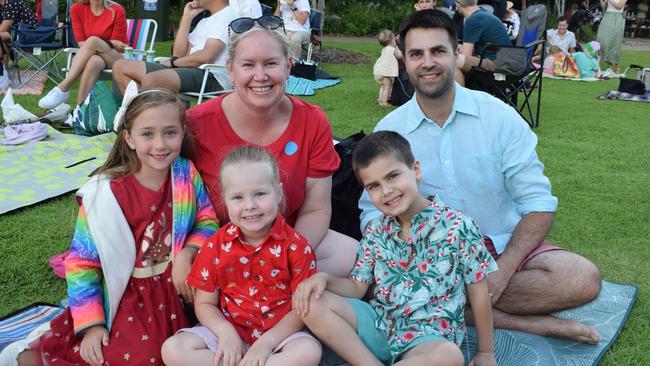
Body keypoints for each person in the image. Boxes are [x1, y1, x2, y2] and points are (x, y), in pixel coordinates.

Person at [360, 8, 602, 344]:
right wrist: (411, 259)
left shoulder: (499, 117)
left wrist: (502, 272)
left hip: (501, 246)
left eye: (438, 51)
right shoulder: (390, 130)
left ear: (458, 54)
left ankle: (453, 308)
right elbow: (372, 212)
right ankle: (521, 321)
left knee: (581, 278)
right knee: (374, 280)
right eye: (416, 54)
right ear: (405, 59)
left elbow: (538, 203)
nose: (427, 62)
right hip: (429, 260)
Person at [10, 87, 219, 366]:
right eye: (147, 134)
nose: (160, 144)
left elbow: (207, 219)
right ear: (129, 139)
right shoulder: (105, 193)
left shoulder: (185, 173)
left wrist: (188, 253)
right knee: (136, 357)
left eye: (170, 132)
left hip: (174, 291)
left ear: (182, 132)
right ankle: (30, 356)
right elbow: (81, 263)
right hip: (125, 295)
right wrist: (92, 325)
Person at [295, 131, 498, 366]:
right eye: (374, 186)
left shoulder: (457, 225)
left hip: (428, 338)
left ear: (416, 170)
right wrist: (324, 279)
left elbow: (479, 292)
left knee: (449, 356)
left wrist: (486, 353)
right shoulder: (376, 231)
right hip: (381, 325)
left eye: (393, 176)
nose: (387, 191)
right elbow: (357, 287)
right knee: (309, 301)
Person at [185, 20, 358, 277]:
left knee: (354, 257)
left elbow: (316, 208)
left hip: (287, 240)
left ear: (288, 67)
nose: (261, 76)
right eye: (248, 65)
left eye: (270, 63)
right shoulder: (196, 123)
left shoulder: (311, 120)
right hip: (217, 248)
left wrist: (285, 259)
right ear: (230, 69)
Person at [162, 146, 322, 366]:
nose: (250, 206)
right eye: (237, 197)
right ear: (225, 201)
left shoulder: (296, 246)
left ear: (278, 192)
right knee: (173, 349)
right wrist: (226, 334)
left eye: (260, 194)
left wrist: (266, 344)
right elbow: (205, 304)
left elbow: (301, 308)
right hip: (228, 334)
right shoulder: (215, 246)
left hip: (279, 338)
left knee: (308, 351)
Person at [112, 0, 236, 95]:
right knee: (120, 67)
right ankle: (138, 112)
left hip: (212, 76)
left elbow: (206, 56)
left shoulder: (227, 15)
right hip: (190, 70)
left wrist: (173, 63)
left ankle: (139, 115)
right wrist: (187, 17)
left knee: (153, 80)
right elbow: (178, 53)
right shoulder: (205, 21)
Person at [38, 0, 128, 109]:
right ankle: (79, 111)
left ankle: (64, 87)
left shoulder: (117, 9)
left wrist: (98, 43)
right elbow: (81, 42)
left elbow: (117, 43)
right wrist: (100, 44)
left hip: (118, 59)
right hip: (94, 56)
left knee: (93, 41)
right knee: (94, 62)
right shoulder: (76, 9)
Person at [455, 0, 511, 82]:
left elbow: (466, 56)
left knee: (455, 60)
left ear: (457, 5)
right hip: (508, 63)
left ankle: (459, 93)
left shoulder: (473, 20)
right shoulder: (483, 13)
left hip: (497, 65)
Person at [0, 0, 37, 86]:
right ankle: (3, 73)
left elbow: (3, 28)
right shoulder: (3, 5)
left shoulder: (11, 2)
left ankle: (3, 74)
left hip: (28, 35)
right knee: (1, 39)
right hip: (18, 33)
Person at [596, 0, 627, 75]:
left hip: (618, 18)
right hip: (607, 17)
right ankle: (597, 63)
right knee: (600, 39)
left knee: (615, 42)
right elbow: (604, 8)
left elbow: (619, 7)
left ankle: (617, 66)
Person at [373, 30, 401, 106]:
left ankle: (380, 99)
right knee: (387, 87)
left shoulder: (384, 49)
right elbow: (400, 56)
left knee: (383, 86)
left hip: (380, 71)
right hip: (386, 73)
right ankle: (384, 102)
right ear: (392, 40)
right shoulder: (392, 49)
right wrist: (396, 47)